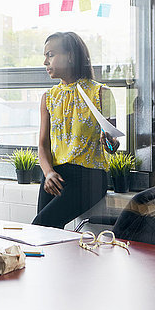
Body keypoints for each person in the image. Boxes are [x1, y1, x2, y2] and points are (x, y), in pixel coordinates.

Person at [32, 32, 120, 229]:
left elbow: (112, 147)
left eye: (51, 54)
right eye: (45, 55)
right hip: (55, 176)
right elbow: (43, 144)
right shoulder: (48, 97)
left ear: (70, 56)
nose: (45, 61)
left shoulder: (102, 94)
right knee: (40, 232)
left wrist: (109, 142)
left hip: (89, 178)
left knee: (41, 225)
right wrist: (48, 173)